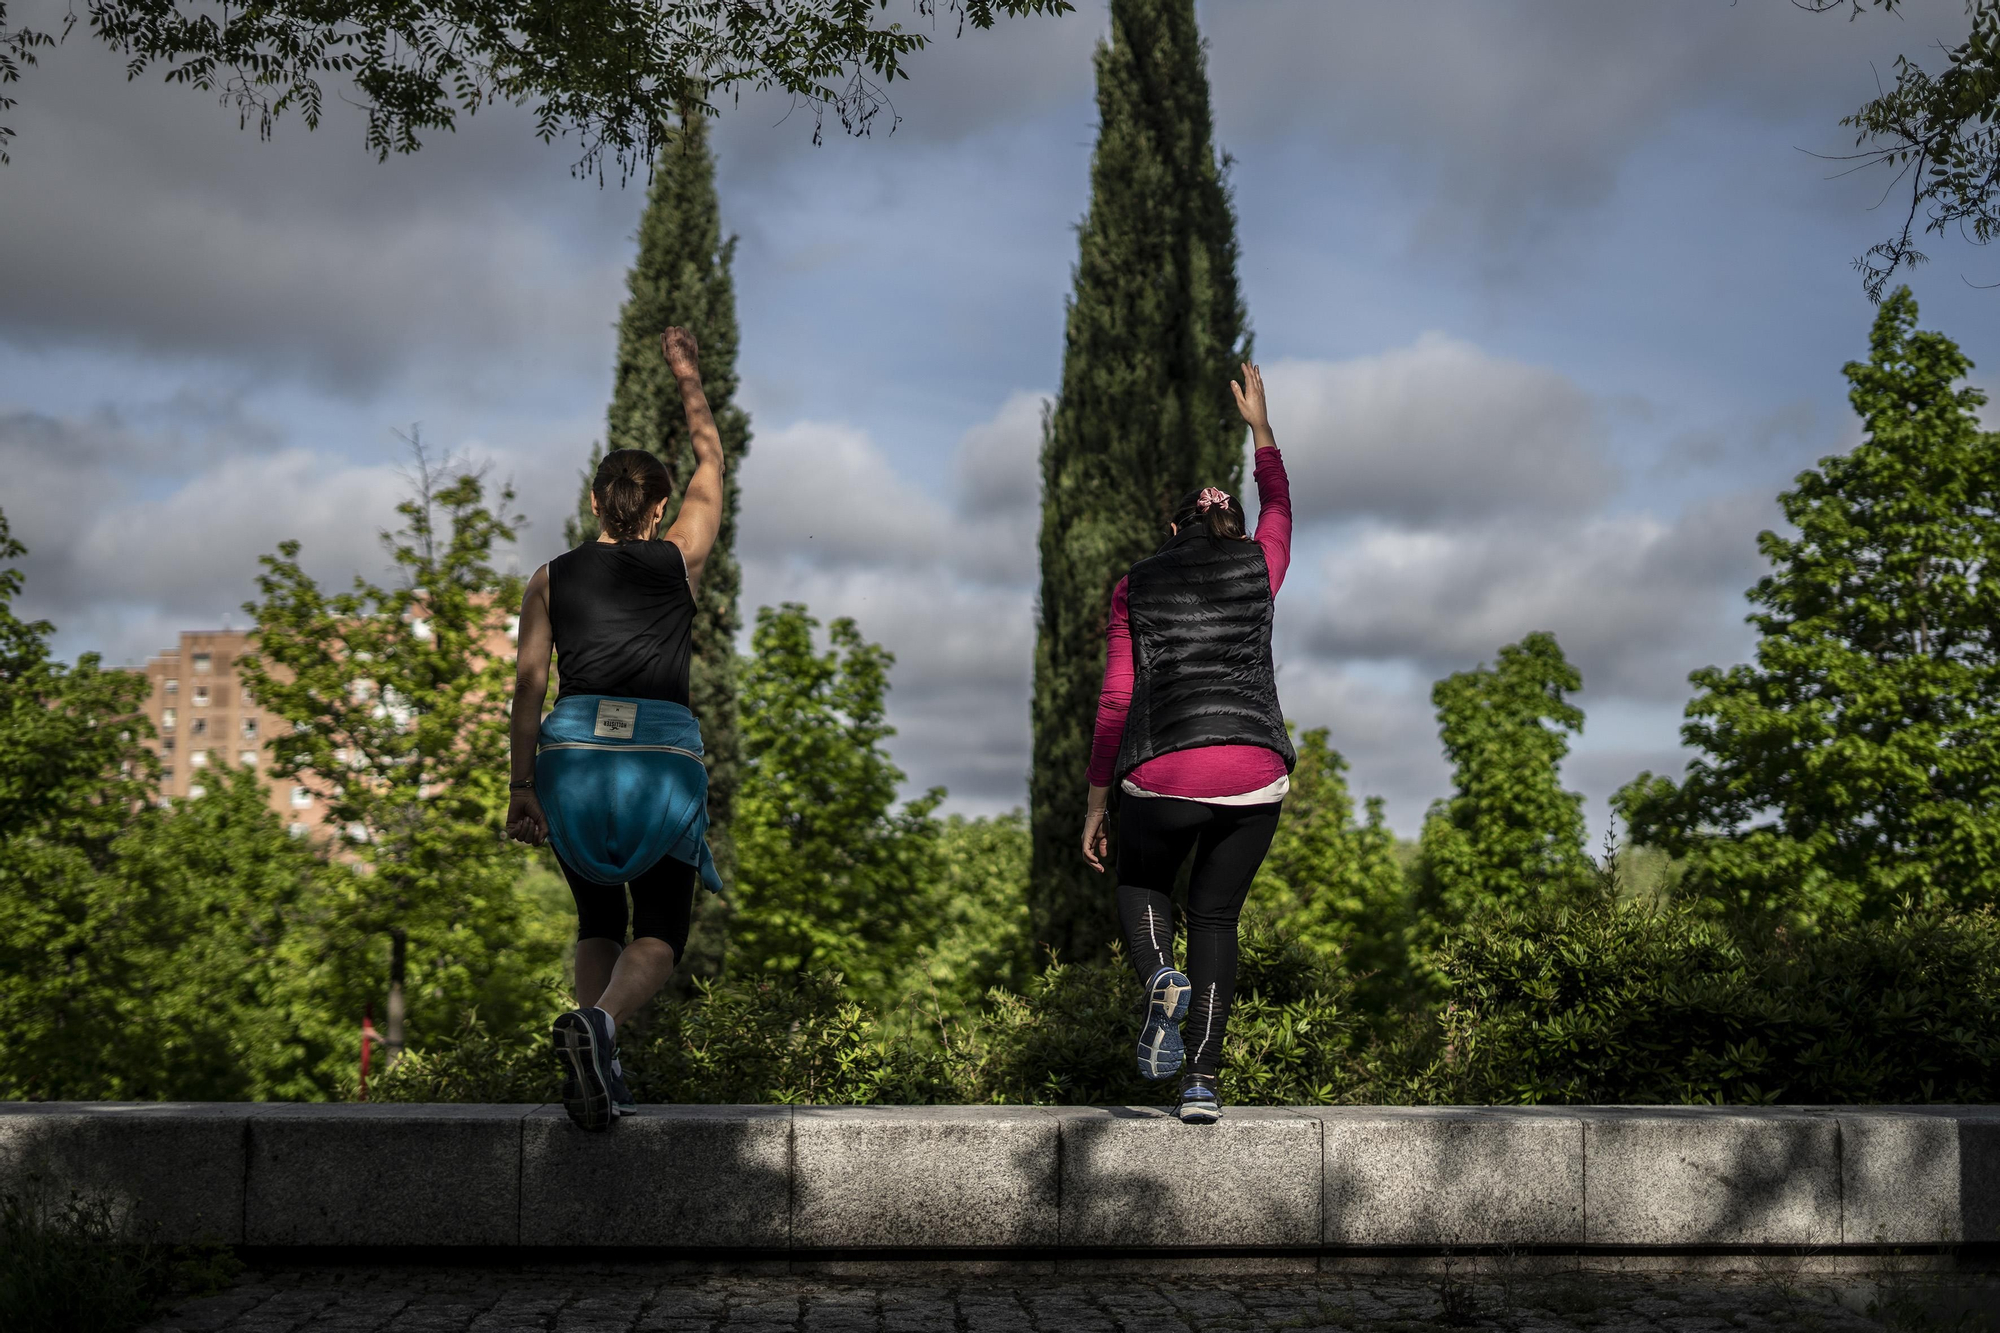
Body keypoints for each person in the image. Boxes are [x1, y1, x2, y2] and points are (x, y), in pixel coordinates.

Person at [506, 326, 727, 1132]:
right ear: (660, 508)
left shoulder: (548, 578)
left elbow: (529, 687)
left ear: (594, 501)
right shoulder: (680, 557)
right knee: (660, 930)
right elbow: (713, 462)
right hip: (658, 765)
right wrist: (687, 374)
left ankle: (598, 1056)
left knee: (597, 919)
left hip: (571, 763)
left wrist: (521, 787)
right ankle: (601, 1026)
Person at [1081, 361, 1295, 1125]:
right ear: (1234, 528)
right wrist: (1260, 430)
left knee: (1142, 881)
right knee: (1215, 918)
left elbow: (1116, 698)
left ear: (1173, 531)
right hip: (1255, 768)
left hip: (1164, 769)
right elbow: (1280, 507)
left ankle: (1157, 977)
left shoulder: (1136, 583)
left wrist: (1097, 802)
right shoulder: (1260, 563)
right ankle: (1200, 1082)